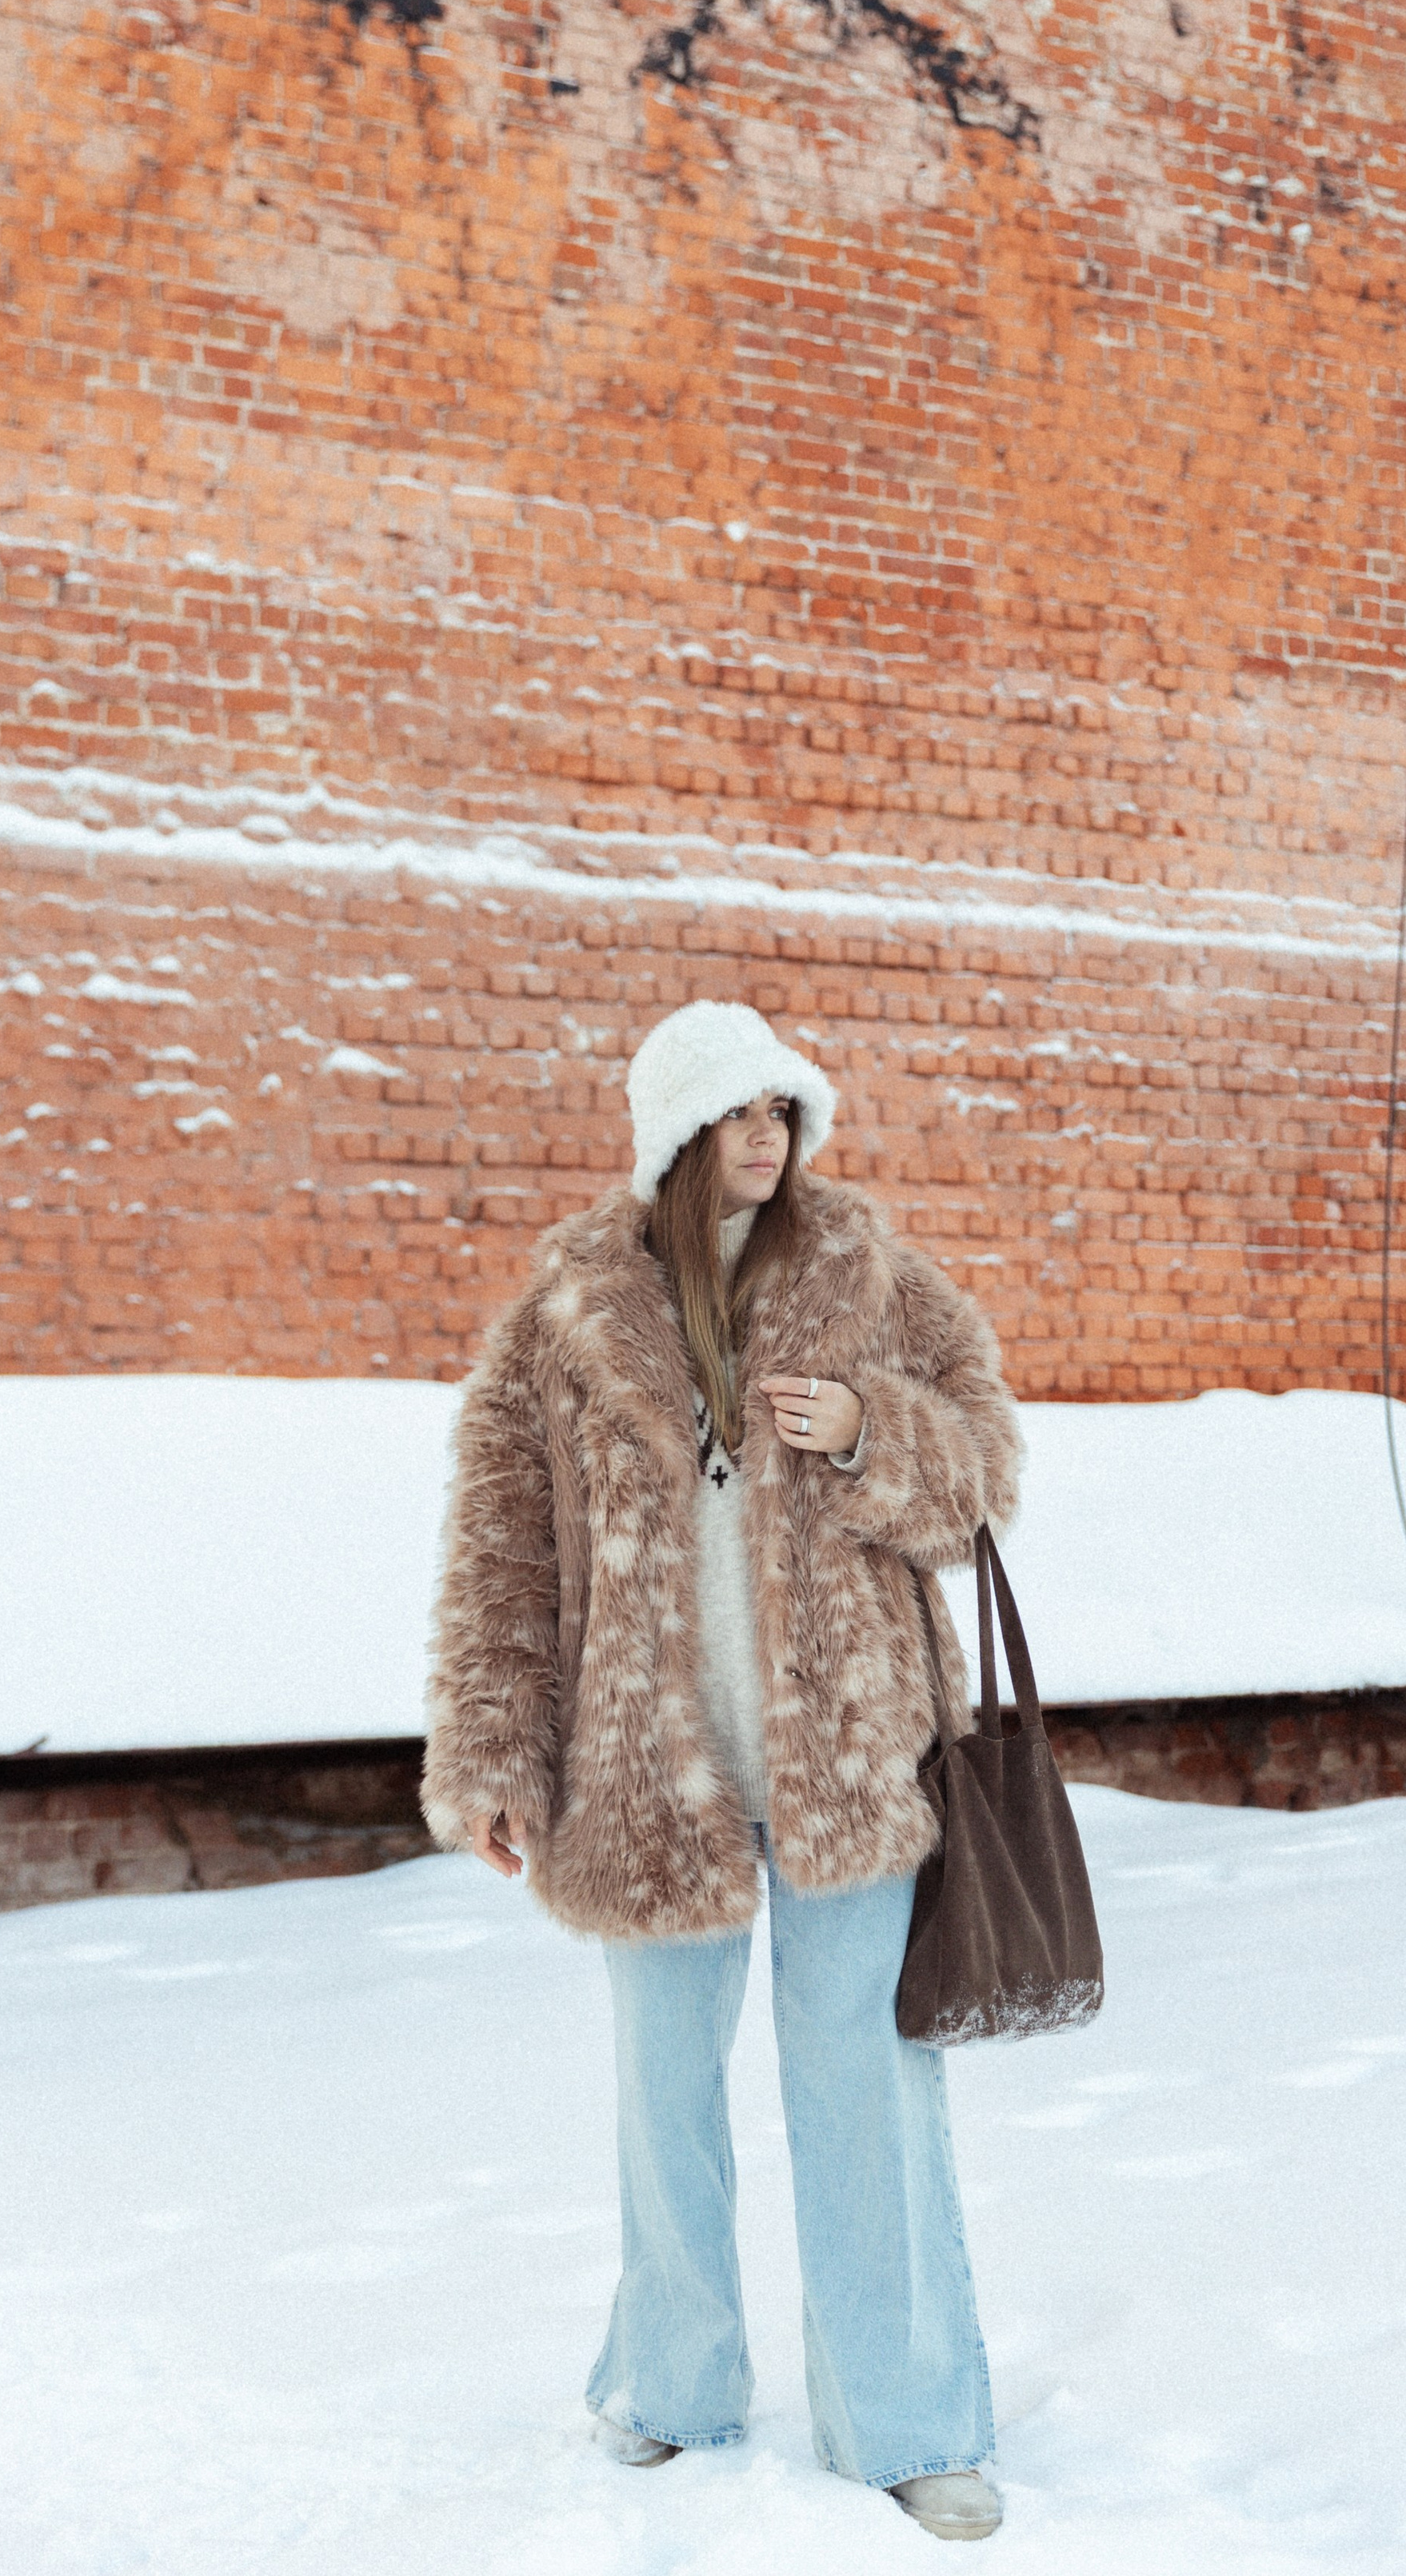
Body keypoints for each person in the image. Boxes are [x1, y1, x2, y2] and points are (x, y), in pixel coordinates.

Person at [423, 999, 1023, 2540]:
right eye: (741, 1116)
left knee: (866, 2097)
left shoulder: (870, 1276)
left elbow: (984, 1481)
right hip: (646, 1774)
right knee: (662, 2098)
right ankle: (671, 2390)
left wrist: (867, 1428)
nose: (771, 1141)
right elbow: (500, 1553)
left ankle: (906, 2422)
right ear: (677, 1136)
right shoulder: (565, 1313)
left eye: (786, 1115)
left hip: (850, 1764)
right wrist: (494, 1753)